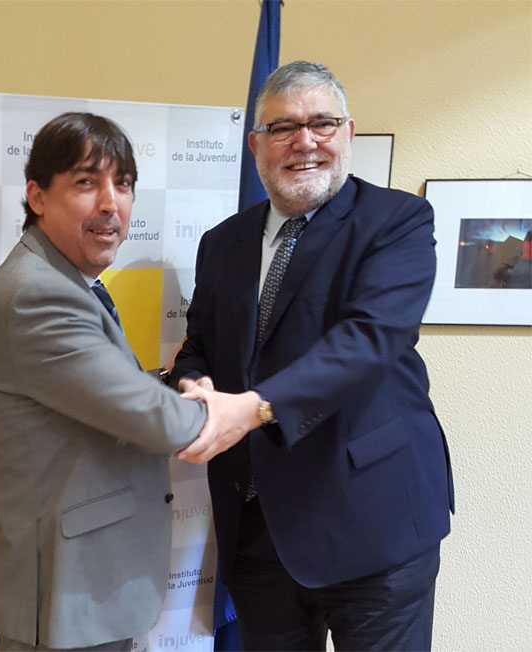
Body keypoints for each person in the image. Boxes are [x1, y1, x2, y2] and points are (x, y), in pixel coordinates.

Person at [171, 61, 455, 651]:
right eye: (283, 127)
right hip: (257, 528)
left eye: (322, 123)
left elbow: (371, 340)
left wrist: (250, 408)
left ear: (348, 134)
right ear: (257, 145)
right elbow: (200, 341)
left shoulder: (397, 222)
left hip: (372, 528)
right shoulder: (221, 242)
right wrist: (194, 386)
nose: (305, 141)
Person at [0, 112, 246, 652]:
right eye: (85, 181)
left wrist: (168, 380)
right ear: (37, 195)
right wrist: (244, 407)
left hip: (83, 586)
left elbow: (90, 391)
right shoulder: (38, 294)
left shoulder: (68, 282)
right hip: (66, 595)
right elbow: (153, 420)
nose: (109, 203)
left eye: (122, 184)